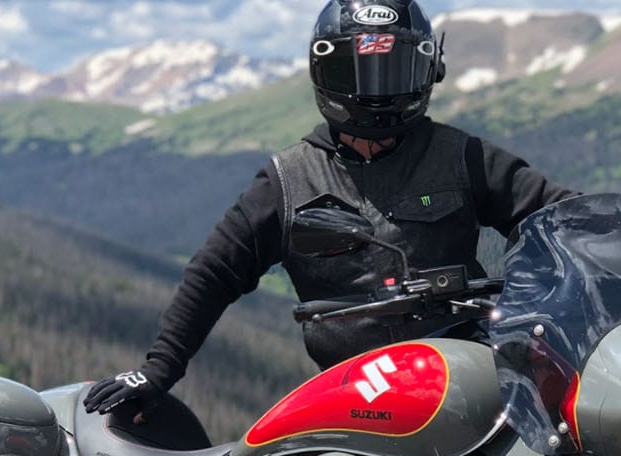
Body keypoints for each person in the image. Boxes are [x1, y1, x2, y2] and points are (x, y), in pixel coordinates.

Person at [84, 0, 577, 421]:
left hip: (467, 379)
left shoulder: (462, 156)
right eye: (358, 70)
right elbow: (213, 272)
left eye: (392, 69)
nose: (376, 88)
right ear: (326, 72)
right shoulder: (287, 181)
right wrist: (156, 371)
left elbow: (557, 214)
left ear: (426, 70)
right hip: (357, 401)